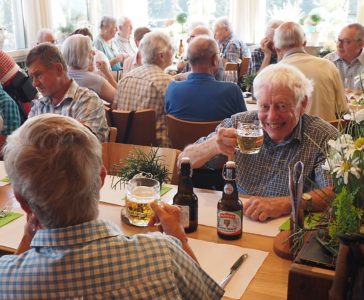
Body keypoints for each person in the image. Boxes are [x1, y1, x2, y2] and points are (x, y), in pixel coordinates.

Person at [0, 114, 224, 299]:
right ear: (101, 179)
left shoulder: (8, 279)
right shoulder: (164, 253)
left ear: (22, 201)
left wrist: (27, 237)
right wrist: (179, 237)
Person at [180, 64, 338, 221]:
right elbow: (183, 161)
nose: (271, 117)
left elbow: (334, 193)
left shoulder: (323, 136)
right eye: (264, 106)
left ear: (302, 104)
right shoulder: (240, 123)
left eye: (281, 106)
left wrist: (286, 203)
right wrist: (214, 145)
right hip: (237, 218)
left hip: (290, 228)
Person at [26, 43, 109, 142]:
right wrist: (70, 130)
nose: (34, 84)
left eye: (38, 75)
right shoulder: (39, 106)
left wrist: (41, 136)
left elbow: (77, 147)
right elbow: (26, 141)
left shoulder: (87, 100)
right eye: (32, 77)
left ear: (58, 69)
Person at [274, 22, 348, 122]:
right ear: (304, 43)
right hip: (328, 135)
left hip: (294, 137)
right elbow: (342, 109)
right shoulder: (328, 65)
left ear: (277, 49)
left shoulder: (275, 73)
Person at [165, 35, 246, 122]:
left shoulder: (172, 88)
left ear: (189, 60)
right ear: (215, 60)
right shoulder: (232, 91)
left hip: (179, 135)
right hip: (217, 135)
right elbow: (246, 126)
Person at [114, 31, 173, 147]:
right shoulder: (167, 83)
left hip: (125, 148)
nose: (173, 53)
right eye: (171, 49)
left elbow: (114, 109)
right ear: (161, 56)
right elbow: (176, 119)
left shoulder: (124, 79)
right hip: (158, 153)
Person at [62, 34, 116, 104]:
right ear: (82, 56)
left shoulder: (61, 77)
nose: (94, 53)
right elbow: (119, 99)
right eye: (90, 51)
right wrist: (108, 74)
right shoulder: (94, 80)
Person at [324, 23, 364, 90]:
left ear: (360, 44)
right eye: (338, 40)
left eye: (346, 42)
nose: (339, 45)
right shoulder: (327, 61)